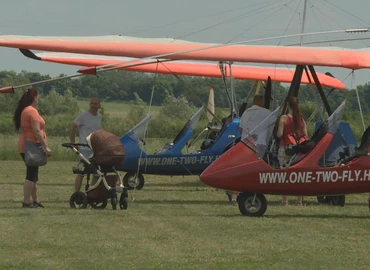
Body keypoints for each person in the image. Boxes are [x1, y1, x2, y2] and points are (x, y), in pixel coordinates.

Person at [13, 88, 52, 208]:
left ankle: (36, 200)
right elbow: (36, 130)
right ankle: (26, 201)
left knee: (34, 175)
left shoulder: (25, 110)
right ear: (34, 97)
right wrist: (46, 147)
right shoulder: (32, 111)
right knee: (31, 175)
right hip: (31, 147)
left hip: (26, 146)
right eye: (37, 96)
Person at [277, 96, 308, 206]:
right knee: (299, 175)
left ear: (288, 105)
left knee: (284, 174)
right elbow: (306, 135)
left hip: (286, 148)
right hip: (298, 148)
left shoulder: (284, 118)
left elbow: (279, 134)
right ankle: (299, 200)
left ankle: (285, 200)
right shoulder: (301, 119)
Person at [69, 97, 102, 192]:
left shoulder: (99, 116)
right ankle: (76, 193)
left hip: (94, 148)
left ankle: (90, 192)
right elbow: (72, 127)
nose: (93, 106)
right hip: (84, 148)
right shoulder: (83, 115)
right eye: (91, 103)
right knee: (82, 172)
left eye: (95, 104)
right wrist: (73, 142)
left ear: (99, 105)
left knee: (97, 172)